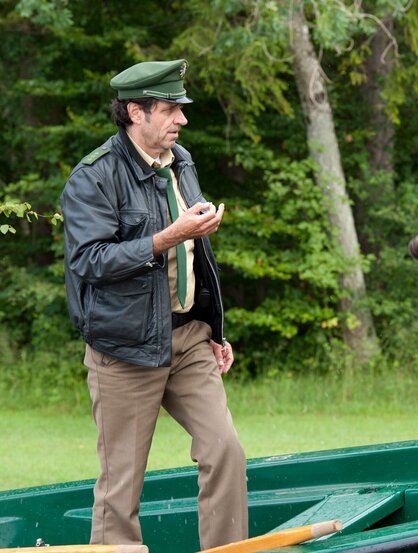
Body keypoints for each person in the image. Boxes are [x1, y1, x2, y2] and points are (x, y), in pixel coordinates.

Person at [60, 59, 248, 549]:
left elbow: (197, 258)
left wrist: (214, 330)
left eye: (180, 109)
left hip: (189, 341)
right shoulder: (93, 177)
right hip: (123, 350)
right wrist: (167, 237)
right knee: (121, 486)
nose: (182, 119)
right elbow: (89, 261)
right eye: (169, 110)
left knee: (225, 451)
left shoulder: (181, 161)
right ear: (134, 113)